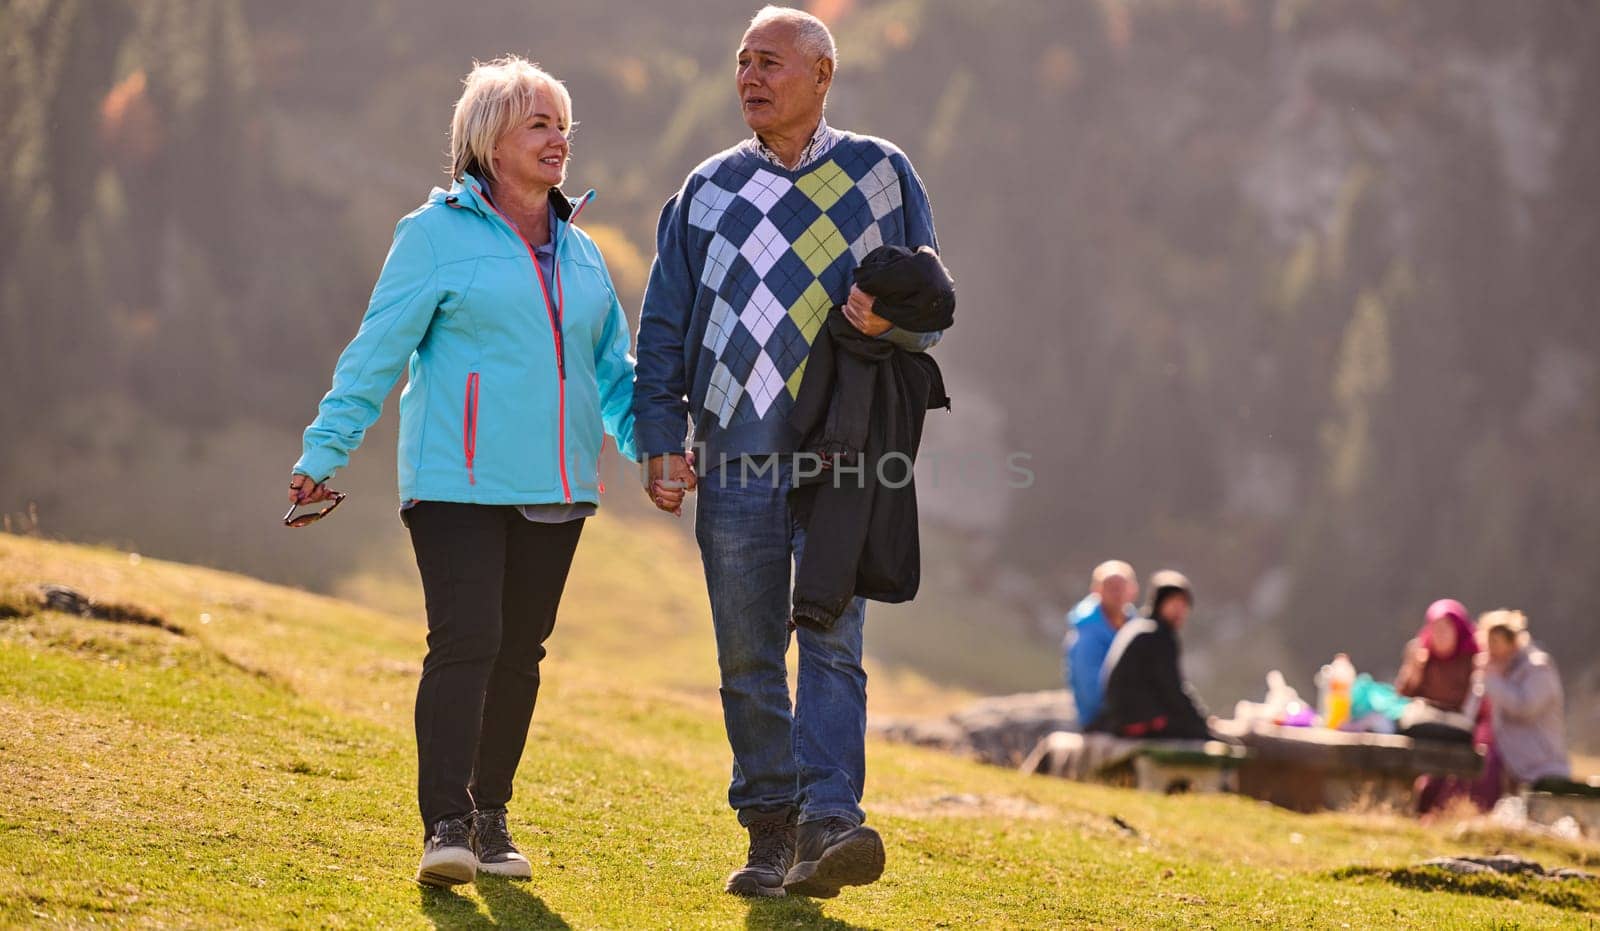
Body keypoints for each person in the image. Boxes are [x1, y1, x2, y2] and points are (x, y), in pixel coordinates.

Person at [286, 57, 637, 887]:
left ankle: (490, 817)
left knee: (521, 652)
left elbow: (612, 371)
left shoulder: (582, 252)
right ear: (489, 140)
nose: (559, 141)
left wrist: (654, 447)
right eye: (540, 125)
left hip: (556, 486)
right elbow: (378, 351)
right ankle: (445, 820)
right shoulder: (434, 235)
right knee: (468, 637)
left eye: (564, 127)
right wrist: (322, 454)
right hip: (457, 479)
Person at [631, 6, 944, 899]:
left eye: (769, 62)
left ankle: (830, 821)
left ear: (821, 75)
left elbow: (932, 302)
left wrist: (890, 318)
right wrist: (662, 435)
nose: (749, 77)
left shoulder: (881, 175)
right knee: (747, 654)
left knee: (833, 642)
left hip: (845, 460)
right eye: (741, 63)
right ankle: (770, 827)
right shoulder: (706, 190)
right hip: (734, 456)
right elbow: (664, 326)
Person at [1088, 570, 1210, 740]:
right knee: (1203, 736)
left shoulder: (1139, 627)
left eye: (1183, 605)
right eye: (1173, 604)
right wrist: (1202, 723)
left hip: (1121, 720)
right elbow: (1172, 690)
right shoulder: (1156, 636)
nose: (1179, 611)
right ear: (1159, 603)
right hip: (1138, 723)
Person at [1479, 609, 1570, 789]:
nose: (1491, 649)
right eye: (1488, 642)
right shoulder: (1496, 669)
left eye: (1496, 642)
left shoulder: (1538, 668)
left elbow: (1525, 707)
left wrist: (1493, 681)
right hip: (1509, 764)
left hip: (1541, 764)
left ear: (1513, 641)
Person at [1063, 560, 1138, 730]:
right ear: (1096, 590)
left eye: (1121, 586)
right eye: (1109, 586)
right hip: (1100, 720)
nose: (1116, 592)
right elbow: (1092, 695)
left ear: (1133, 590)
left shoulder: (1136, 628)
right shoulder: (1086, 635)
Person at [1395, 598, 1479, 714]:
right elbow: (1400, 696)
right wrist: (1415, 671)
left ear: (1458, 630)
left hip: (1461, 721)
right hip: (1423, 716)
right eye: (1435, 629)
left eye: (1445, 629)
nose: (1440, 635)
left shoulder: (1474, 658)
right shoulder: (1420, 652)